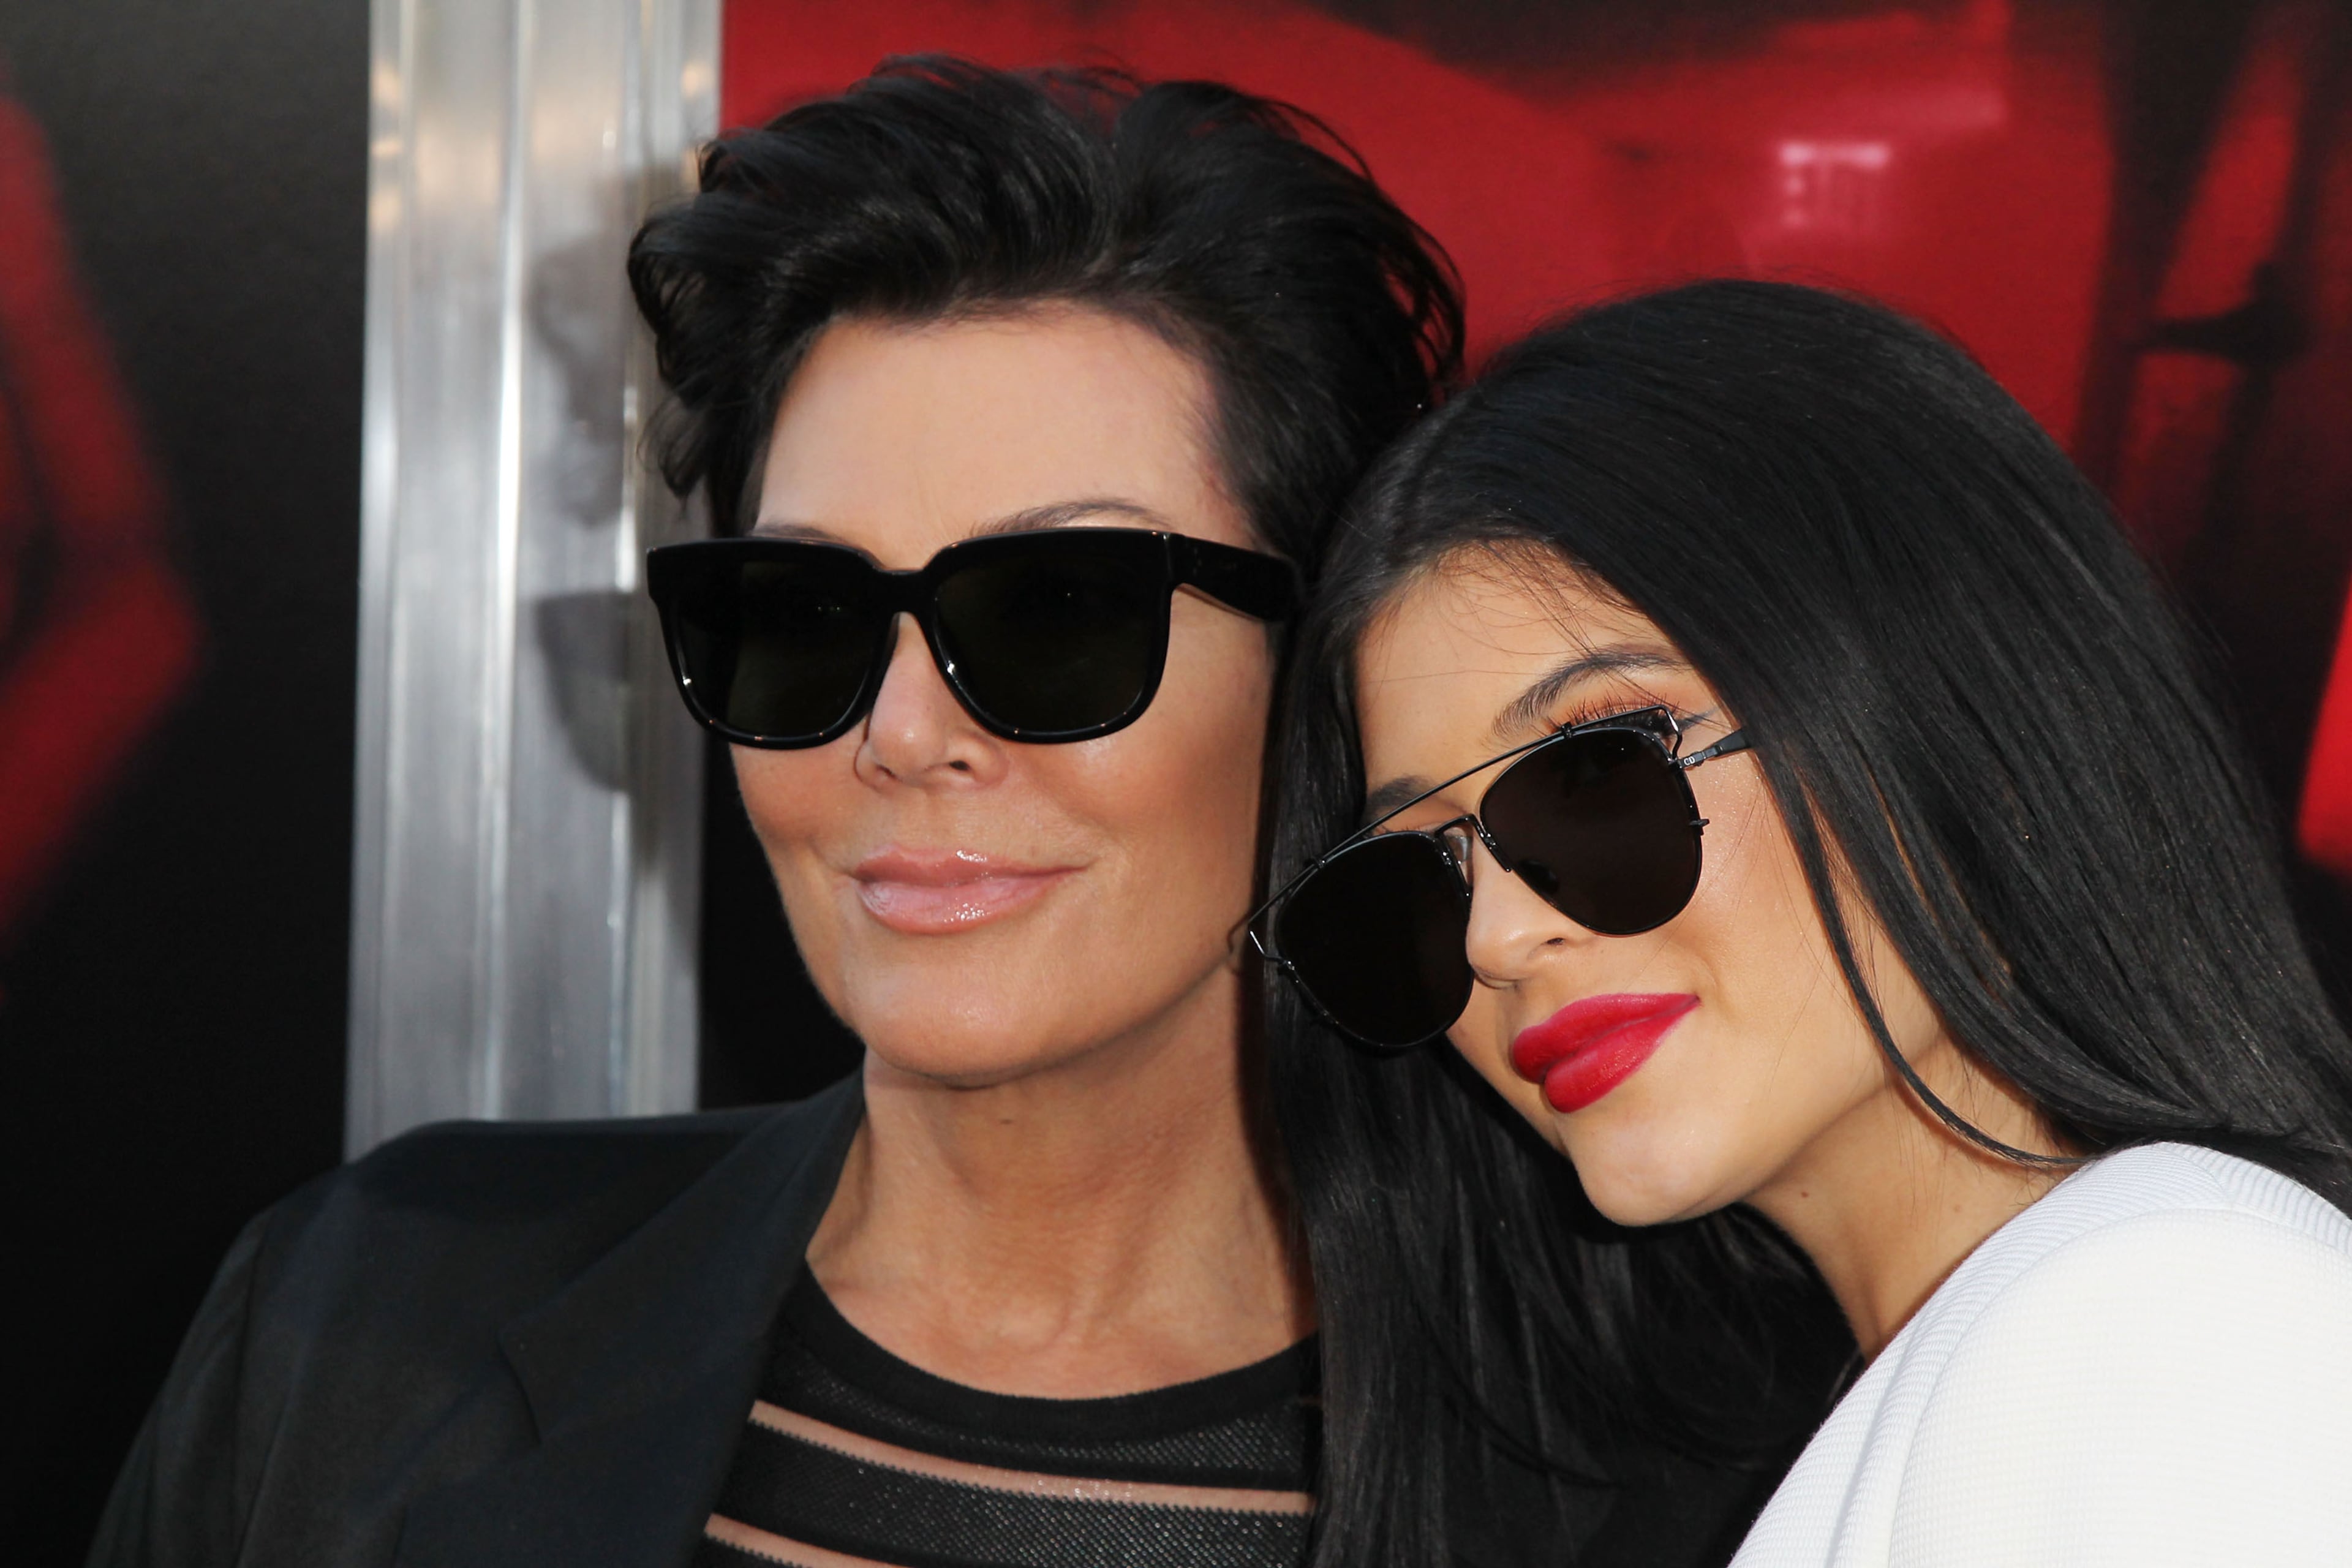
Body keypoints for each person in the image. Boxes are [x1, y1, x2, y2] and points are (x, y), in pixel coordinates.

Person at [88, 62, 1803, 1568]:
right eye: (804, 619)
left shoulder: (1718, 1476)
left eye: (1056, 613)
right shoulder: (361, 1326)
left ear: (1330, 676)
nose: (907, 736)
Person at [1256, 279, 2352, 1566]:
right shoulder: (2030, 1344)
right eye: (1415, 873)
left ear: (1953, 714)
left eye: (1599, 773)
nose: (1496, 935)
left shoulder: (2166, 1316)